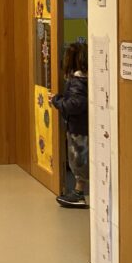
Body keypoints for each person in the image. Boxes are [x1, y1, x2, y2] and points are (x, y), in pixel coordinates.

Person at [51, 42, 89, 209]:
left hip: (78, 129)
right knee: (82, 160)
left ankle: (79, 194)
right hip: (84, 126)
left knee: (78, 161)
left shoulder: (77, 81)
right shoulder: (87, 79)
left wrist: (56, 100)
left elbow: (75, 104)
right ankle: (80, 192)